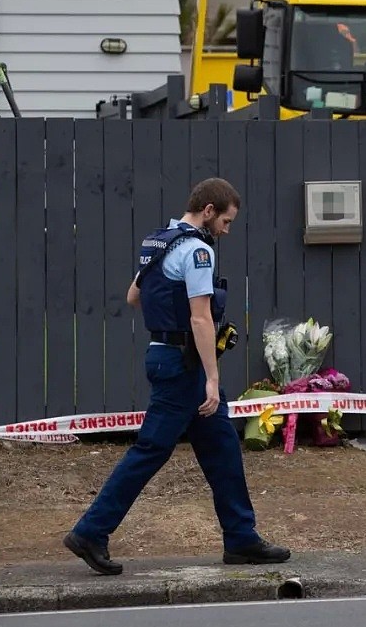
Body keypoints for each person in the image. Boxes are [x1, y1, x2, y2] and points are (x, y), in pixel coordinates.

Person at [64, 177, 289, 575]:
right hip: (184, 367)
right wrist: (212, 379)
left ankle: (241, 538)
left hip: (162, 354)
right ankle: (90, 531)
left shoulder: (159, 240)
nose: (227, 230)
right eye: (226, 221)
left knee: (222, 448)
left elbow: (134, 296)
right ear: (208, 211)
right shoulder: (198, 251)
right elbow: (200, 318)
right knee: (150, 450)